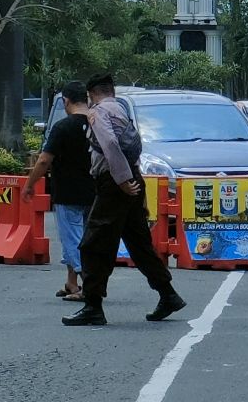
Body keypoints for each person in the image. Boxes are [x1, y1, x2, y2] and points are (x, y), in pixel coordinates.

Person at [63, 74, 186, 327]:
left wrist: (121, 180)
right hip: (133, 179)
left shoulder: (98, 113)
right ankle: (168, 294)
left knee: (92, 244)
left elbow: (109, 144)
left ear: (91, 94)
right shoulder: (120, 109)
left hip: (115, 183)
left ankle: (93, 305)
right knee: (139, 243)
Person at [22, 81, 95, 301]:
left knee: (72, 240)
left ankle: (90, 286)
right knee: (85, 238)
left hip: (68, 193)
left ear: (66, 101)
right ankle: (72, 283)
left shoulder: (63, 127)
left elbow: (44, 160)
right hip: (93, 192)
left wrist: (29, 184)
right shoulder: (96, 125)